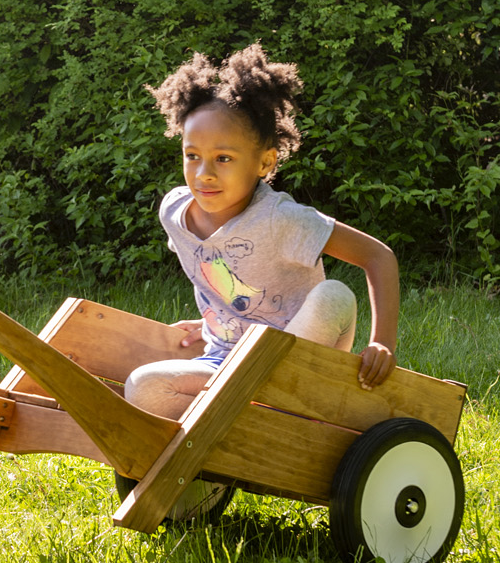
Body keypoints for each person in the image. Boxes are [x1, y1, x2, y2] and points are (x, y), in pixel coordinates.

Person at [123, 43, 400, 520]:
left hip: (301, 361)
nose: (203, 174)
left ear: (266, 163)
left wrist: (383, 343)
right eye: (192, 156)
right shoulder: (175, 213)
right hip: (224, 363)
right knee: (141, 386)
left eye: (224, 159)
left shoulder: (281, 219)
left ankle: (255, 402)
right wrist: (218, 315)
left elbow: (378, 256)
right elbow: (219, 274)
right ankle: (226, 433)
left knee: (334, 294)